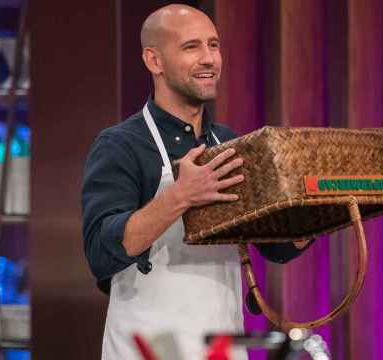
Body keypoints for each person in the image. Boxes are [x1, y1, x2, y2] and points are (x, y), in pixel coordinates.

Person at [81, 4, 310, 359]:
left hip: (223, 349)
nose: (209, 59)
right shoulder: (120, 145)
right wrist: (180, 196)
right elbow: (101, 252)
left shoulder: (229, 142)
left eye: (213, 45)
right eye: (191, 47)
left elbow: (275, 247)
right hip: (146, 351)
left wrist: (318, 212)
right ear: (154, 61)